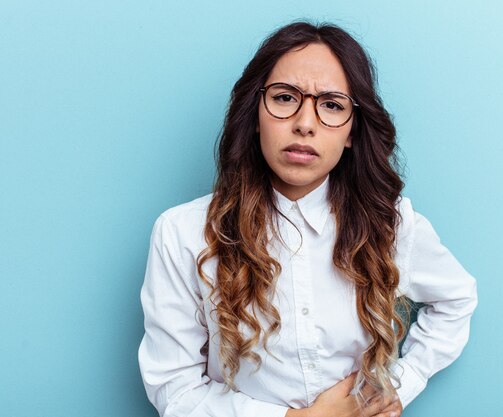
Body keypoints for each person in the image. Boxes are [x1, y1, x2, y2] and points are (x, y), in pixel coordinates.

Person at [138, 21, 478, 417]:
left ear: (352, 130)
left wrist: (401, 385)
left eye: (332, 105)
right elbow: (174, 389)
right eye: (285, 98)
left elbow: (457, 298)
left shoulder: (391, 223)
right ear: (256, 113)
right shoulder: (183, 233)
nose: (305, 123)